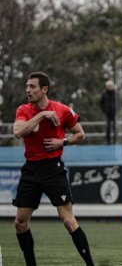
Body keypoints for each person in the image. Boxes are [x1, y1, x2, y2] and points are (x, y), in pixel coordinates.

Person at [12, 72, 95, 266]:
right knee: (20, 223)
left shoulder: (62, 109)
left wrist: (62, 142)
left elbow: (80, 134)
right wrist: (41, 115)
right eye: (26, 86)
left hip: (53, 168)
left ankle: (90, 265)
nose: (27, 90)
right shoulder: (23, 110)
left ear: (44, 89)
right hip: (31, 169)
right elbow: (17, 132)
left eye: (32, 86)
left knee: (68, 220)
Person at [100, 80, 116, 144]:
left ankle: (115, 141)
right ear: (106, 86)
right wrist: (104, 110)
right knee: (108, 128)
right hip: (107, 113)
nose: (110, 87)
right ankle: (108, 142)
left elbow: (119, 102)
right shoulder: (104, 94)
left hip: (114, 113)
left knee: (115, 127)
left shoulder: (116, 93)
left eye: (111, 86)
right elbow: (101, 103)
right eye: (108, 86)